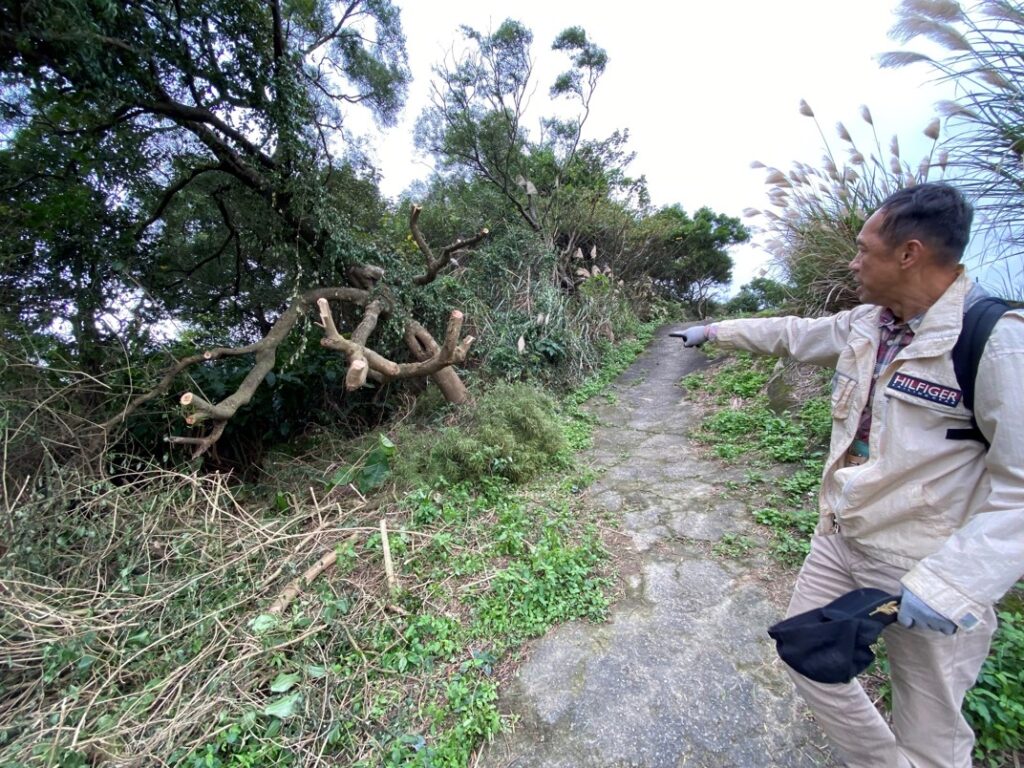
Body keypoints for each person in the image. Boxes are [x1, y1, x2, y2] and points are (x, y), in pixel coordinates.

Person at [677, 182, 1024, 768]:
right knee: (802, 648)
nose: (853, 261)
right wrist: (715, 332)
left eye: (864, 249)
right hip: (839, 537)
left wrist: (951, 586)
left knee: (932, 729)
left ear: (909, 254)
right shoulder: (870, 324)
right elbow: (793, 334)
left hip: (921, 563)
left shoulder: (994, 341)